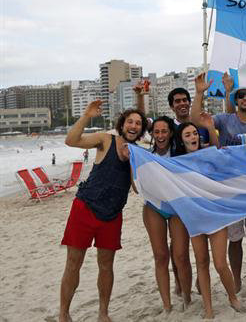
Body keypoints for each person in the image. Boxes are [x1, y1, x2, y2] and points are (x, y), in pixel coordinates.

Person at [60, 100, 147, 322]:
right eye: (130, 121)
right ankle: (63, 314)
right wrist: (87, 115)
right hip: (85, 208)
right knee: (73, 263)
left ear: (141, 130)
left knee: (106, 266)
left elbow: (137, 189)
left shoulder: (137, 152)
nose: (134, 125)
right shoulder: (105, 139)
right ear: (123, 124)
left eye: (138, 123)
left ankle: (103, 314)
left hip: (112, 215)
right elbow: (71, 140)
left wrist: (131, 162)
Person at [191, 69, 246, 299]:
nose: (244, 99)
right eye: (240, 96)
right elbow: (197, 119)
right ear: (235, 100)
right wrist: (199, 94)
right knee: (234, 240)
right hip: (230, 191)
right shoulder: (225, 120)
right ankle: (237, 280)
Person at [173, 121, 244, 318]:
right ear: (181, 140)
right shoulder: (177, 162)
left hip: (214, 214)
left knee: (220, 263)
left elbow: (225, 160)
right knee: (201, 262)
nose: (192, 137)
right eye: (187, 135)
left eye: (194, 133)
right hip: (194, 217)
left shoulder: (210, 154)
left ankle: (232, 298)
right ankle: (208, 308)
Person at [141, 116, 193, 312]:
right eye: (157, 132)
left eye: (164, 131)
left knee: (181, 256)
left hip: (178, 208)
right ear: (152, 134)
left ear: (171, 133)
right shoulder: (145, 155)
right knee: (161, 256)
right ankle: (167, 305)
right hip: (154, 207)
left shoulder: (181, 153)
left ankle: (187, 298)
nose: (161, 135)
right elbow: (137, 187)